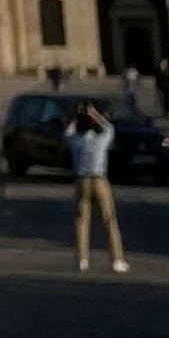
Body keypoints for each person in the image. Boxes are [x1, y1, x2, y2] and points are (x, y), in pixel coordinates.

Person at [64, 100, 127, 273]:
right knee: (109, 218)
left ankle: (82, 259)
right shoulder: (100, 140)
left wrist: (77, 116)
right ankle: (116, 259)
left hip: (82, 180)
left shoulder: (76, 141)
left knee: (82, 220)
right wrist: (94, 114)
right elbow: (109, 128)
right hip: (99, 180)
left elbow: (67, 133)